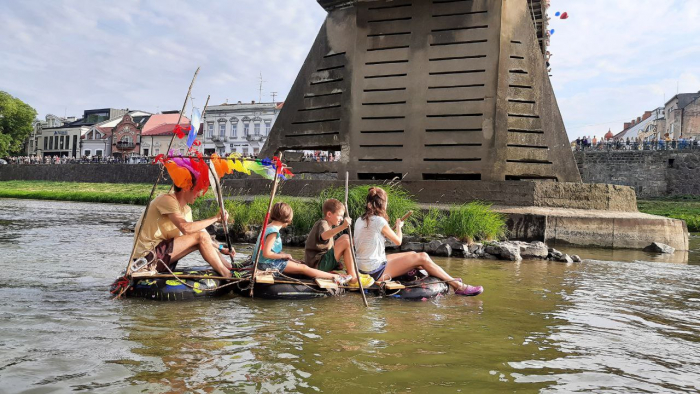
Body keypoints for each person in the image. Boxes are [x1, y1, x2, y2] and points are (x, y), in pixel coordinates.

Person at [353, 187, 483, 296]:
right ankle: (458, 286)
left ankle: (443, 277)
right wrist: (399, 227)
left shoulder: (360, 220)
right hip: (374, 271)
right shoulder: (379, 221)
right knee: (423, 257)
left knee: (413, 253)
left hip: (363, 267)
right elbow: (398, 241)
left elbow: (365, 241)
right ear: (383, 204)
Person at [132, 158, 234, 278]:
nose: (199, 194)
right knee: (200, 237)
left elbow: (202, 235)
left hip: (163, 256)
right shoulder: (167, 200)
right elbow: (186, 228)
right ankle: (227, 275)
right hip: (148, 257)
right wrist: (215, 218)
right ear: (187, 188)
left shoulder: (186, 210)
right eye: (197, 190)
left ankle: (228, 267)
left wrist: (221, 248)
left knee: (201, 238)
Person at [254, 202, 351, 284]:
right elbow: (266, 253)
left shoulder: (267, 227)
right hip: (267, 265)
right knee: (304, 268)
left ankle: (334, 276)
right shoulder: (273, 232)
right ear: (288, 219)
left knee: (299, 263)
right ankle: (336, 278)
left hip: (262, 263)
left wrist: (282, 254)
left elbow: (265, 251)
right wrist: (283, 256)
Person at [304, 198, 375, 289]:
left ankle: (353, 272)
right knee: (345, 239)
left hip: (321, 263)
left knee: (346, 239)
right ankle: (353, 278)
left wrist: (337, 263)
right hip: (317, 266)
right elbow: (324, 236)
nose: (341, 219)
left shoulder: (329, 226)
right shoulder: (323, 223)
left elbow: (328, 248)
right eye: (340, 216)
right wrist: (343, 226)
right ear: (329, 214)